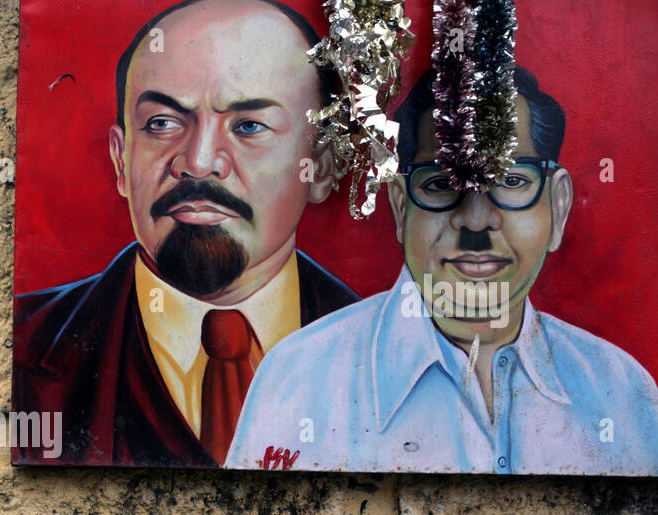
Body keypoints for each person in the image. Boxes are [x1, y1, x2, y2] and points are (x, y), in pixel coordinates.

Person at [228, 67, 658, 475]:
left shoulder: (622, 392)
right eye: (439, 183)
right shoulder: (298, 381)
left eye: (510, 182)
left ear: (558, 206)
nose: (475, 220)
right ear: (400, 207)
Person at [13, 0, 357, 468]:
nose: (197, 161)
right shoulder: (25, 350)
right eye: (163, 123)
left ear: (320, 165)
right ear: (120, 159)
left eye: (248, 126)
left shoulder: (388, 361)